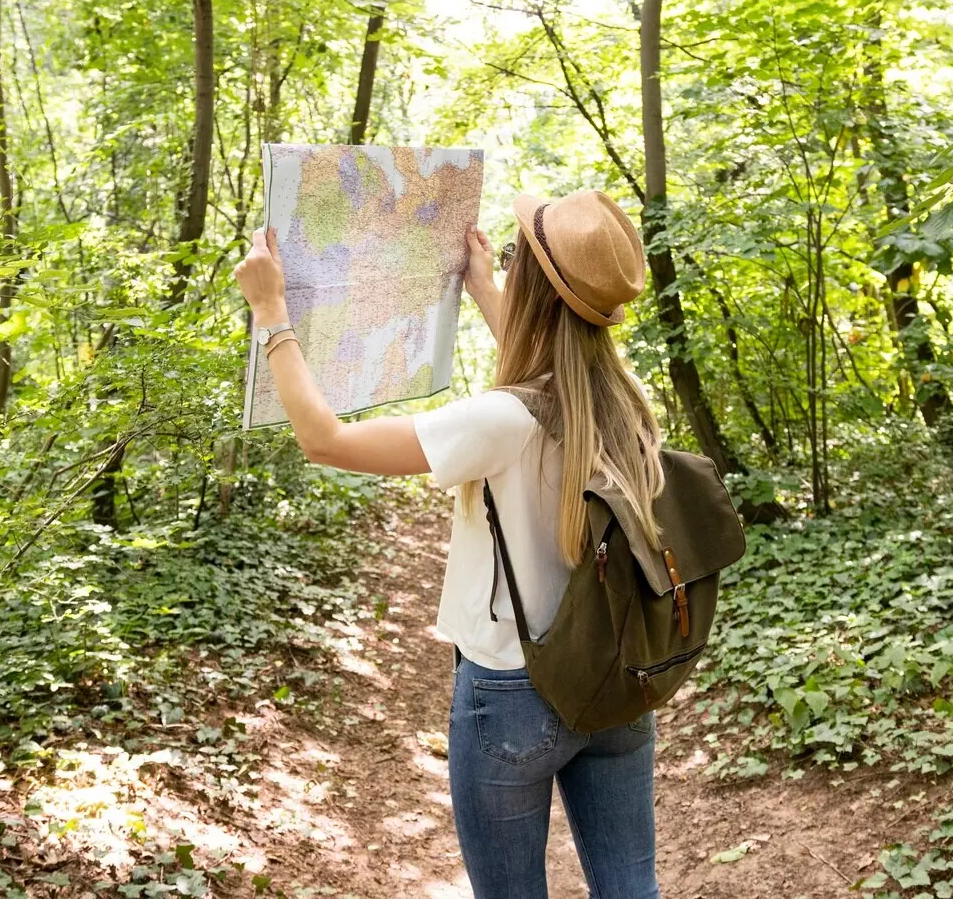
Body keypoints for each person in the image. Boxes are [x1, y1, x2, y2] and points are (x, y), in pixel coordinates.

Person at [235, 189, 663, 899]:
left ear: (533, 286)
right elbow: (553, 372)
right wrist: (486, 288)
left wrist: (271, 312)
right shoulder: (626, 406)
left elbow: (325, 440)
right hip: (617, 676)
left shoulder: (499, 421)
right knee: (631, 889)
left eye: (516, 256)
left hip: (513, 692)